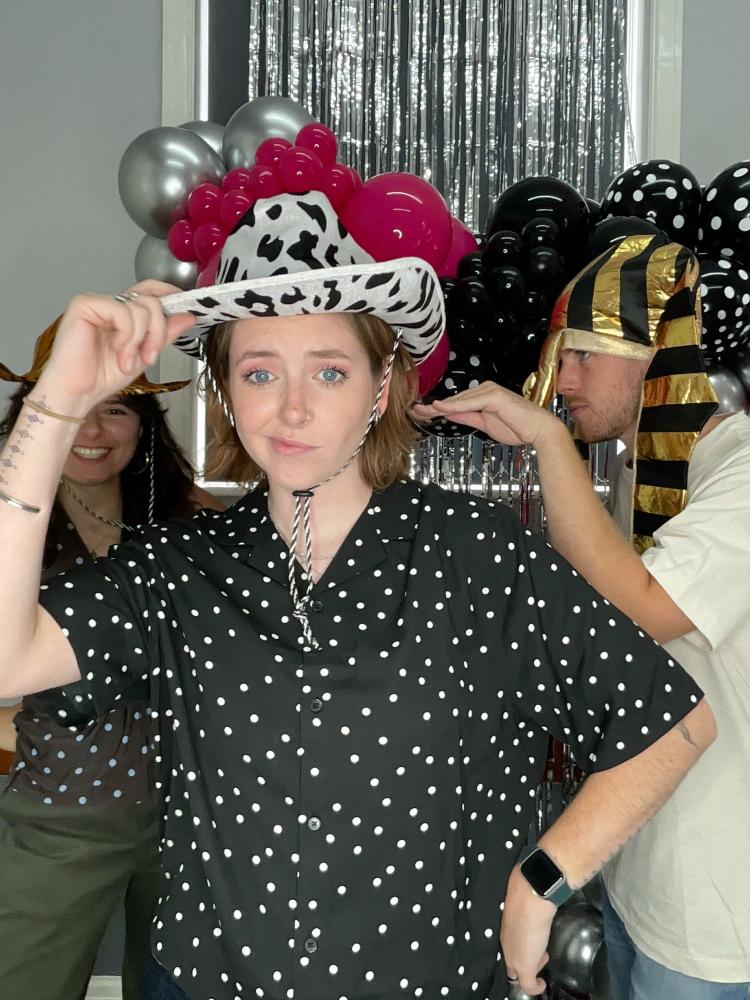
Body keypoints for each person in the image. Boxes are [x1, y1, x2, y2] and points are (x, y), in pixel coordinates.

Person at [0, 192, 716, 1000]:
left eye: (330, 371)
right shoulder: (179, 567)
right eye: (259, 372)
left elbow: (673, 722)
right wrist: (58, 399)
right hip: (214, 978)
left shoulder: (475, 553)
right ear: (226, 391)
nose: (292, 407)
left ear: (381, 388)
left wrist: (542, 880)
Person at [417, 235, 750, 999]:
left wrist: (546, 439)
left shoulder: (741, 472)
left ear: (657, 352)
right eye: (559, 357)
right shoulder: (639, 469)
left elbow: (645, 610)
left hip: (716, 916)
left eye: (585, 356)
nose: (561, 379)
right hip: (641, 873)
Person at [0, 317, 222, 1000]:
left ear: (144, 424)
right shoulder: (12, 529)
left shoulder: (193, 523)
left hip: (194, 821)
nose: (93, 430)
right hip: (64, 814)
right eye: (77, 405)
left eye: (117, 408)